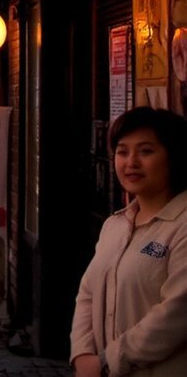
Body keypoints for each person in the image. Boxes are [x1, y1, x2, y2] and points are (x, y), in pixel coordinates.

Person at [70, 106, 187, 377]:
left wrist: (107, 361)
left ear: (174, 157)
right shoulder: (115, 225)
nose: (131, 162)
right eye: (122, 152)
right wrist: (83, 353)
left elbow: (176, 314)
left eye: (146, 151)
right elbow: (87, 294)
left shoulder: (181, 226)